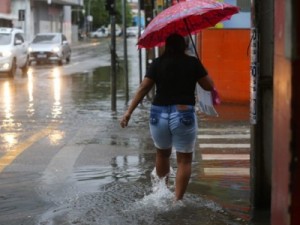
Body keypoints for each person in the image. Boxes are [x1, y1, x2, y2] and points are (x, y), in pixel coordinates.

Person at [120, 33, 214, 201]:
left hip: (158, 114)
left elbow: (143, 88)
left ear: (165, 46)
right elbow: (209, 86)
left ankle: (161, 194)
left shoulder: (157, 63)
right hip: (183, 113)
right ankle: (176, 201)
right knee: (184, 160)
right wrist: (200, 67)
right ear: (184, 46)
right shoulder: (192, 62)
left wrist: (129, 112)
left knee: (162, 155)